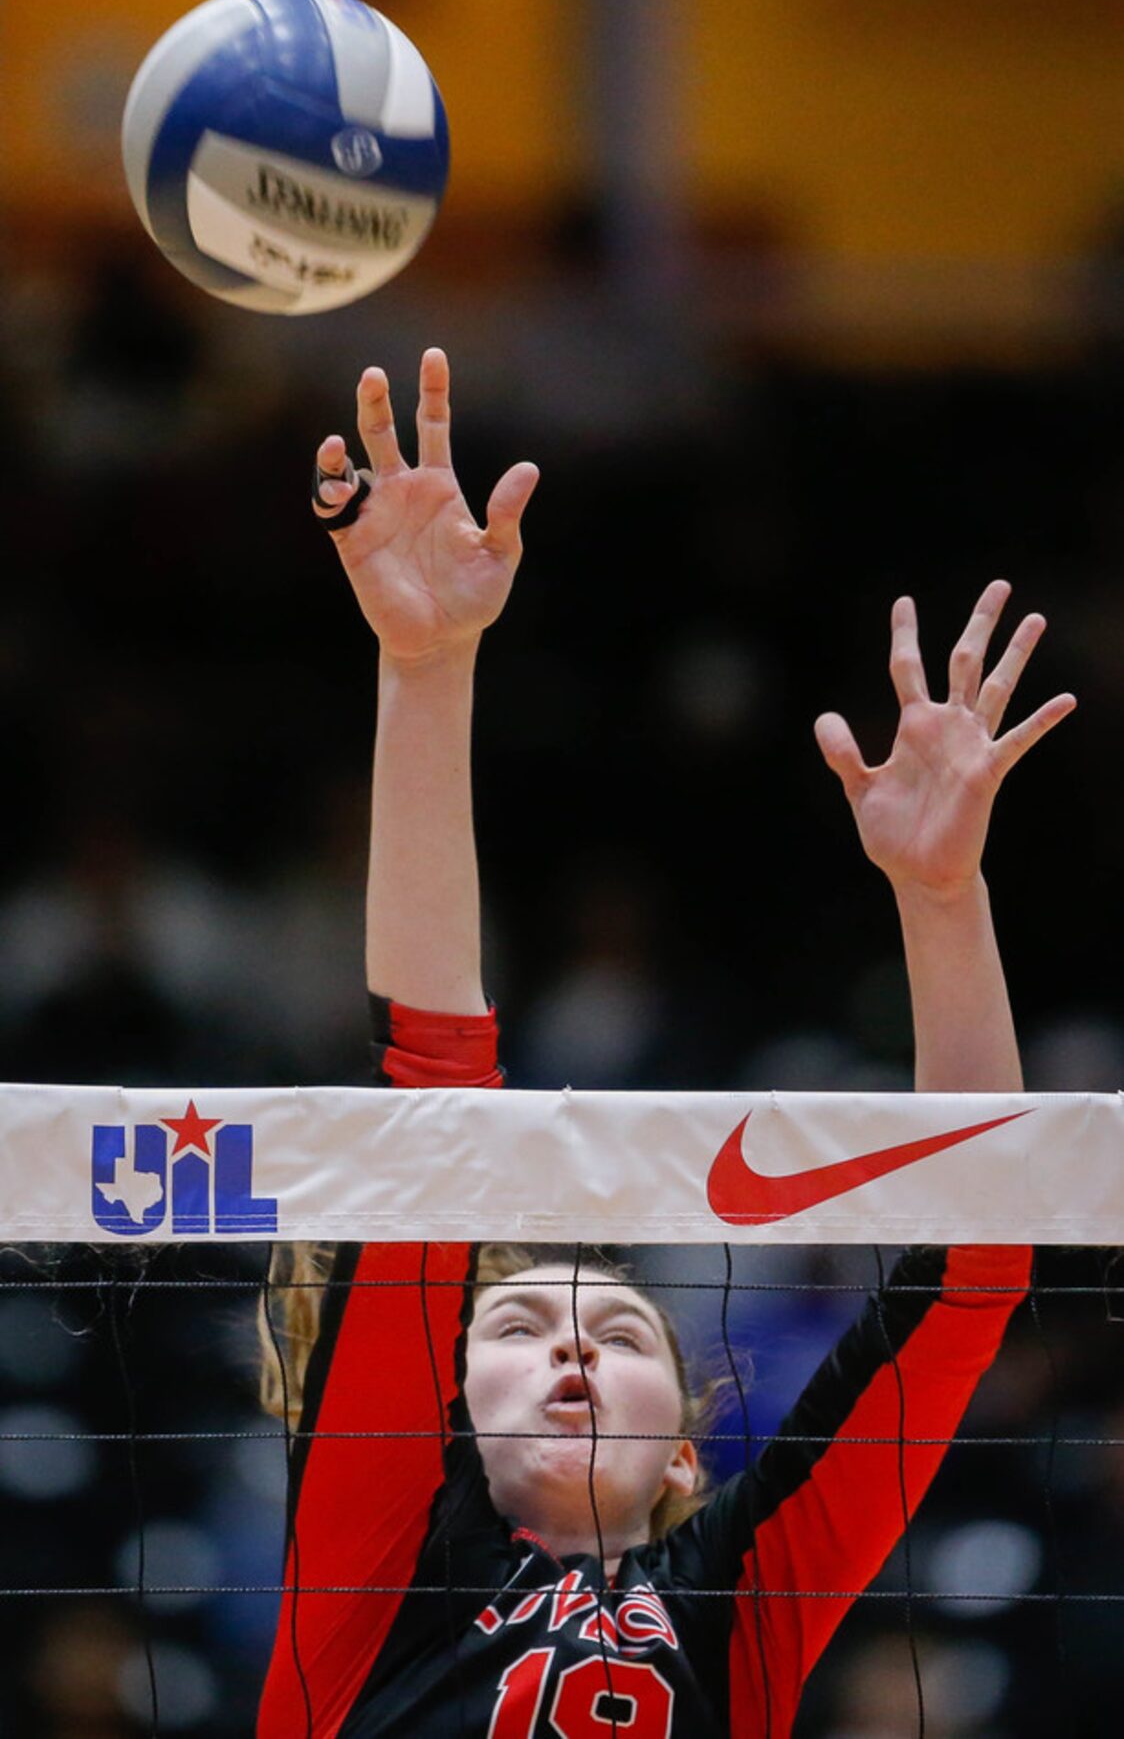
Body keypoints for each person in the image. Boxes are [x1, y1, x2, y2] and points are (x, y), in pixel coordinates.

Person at [256, 349, 1074, 1739]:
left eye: (620, 1329)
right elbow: (436, 1107)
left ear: (685, 1446)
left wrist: (945, 901)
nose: (573, 1342)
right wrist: (426, 665)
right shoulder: (380, 1572)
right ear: (442, 1411)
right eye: (517, 1323)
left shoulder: (735, 1600)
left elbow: (972, 1260)